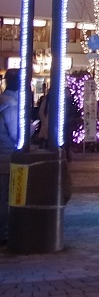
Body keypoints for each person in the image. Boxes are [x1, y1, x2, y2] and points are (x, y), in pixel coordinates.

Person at [0, 68, 21, 246]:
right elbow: (16, 134)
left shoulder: (2, 101)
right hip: (6, 157)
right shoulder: (12, 105)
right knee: (6, 197)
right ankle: (4, 233)